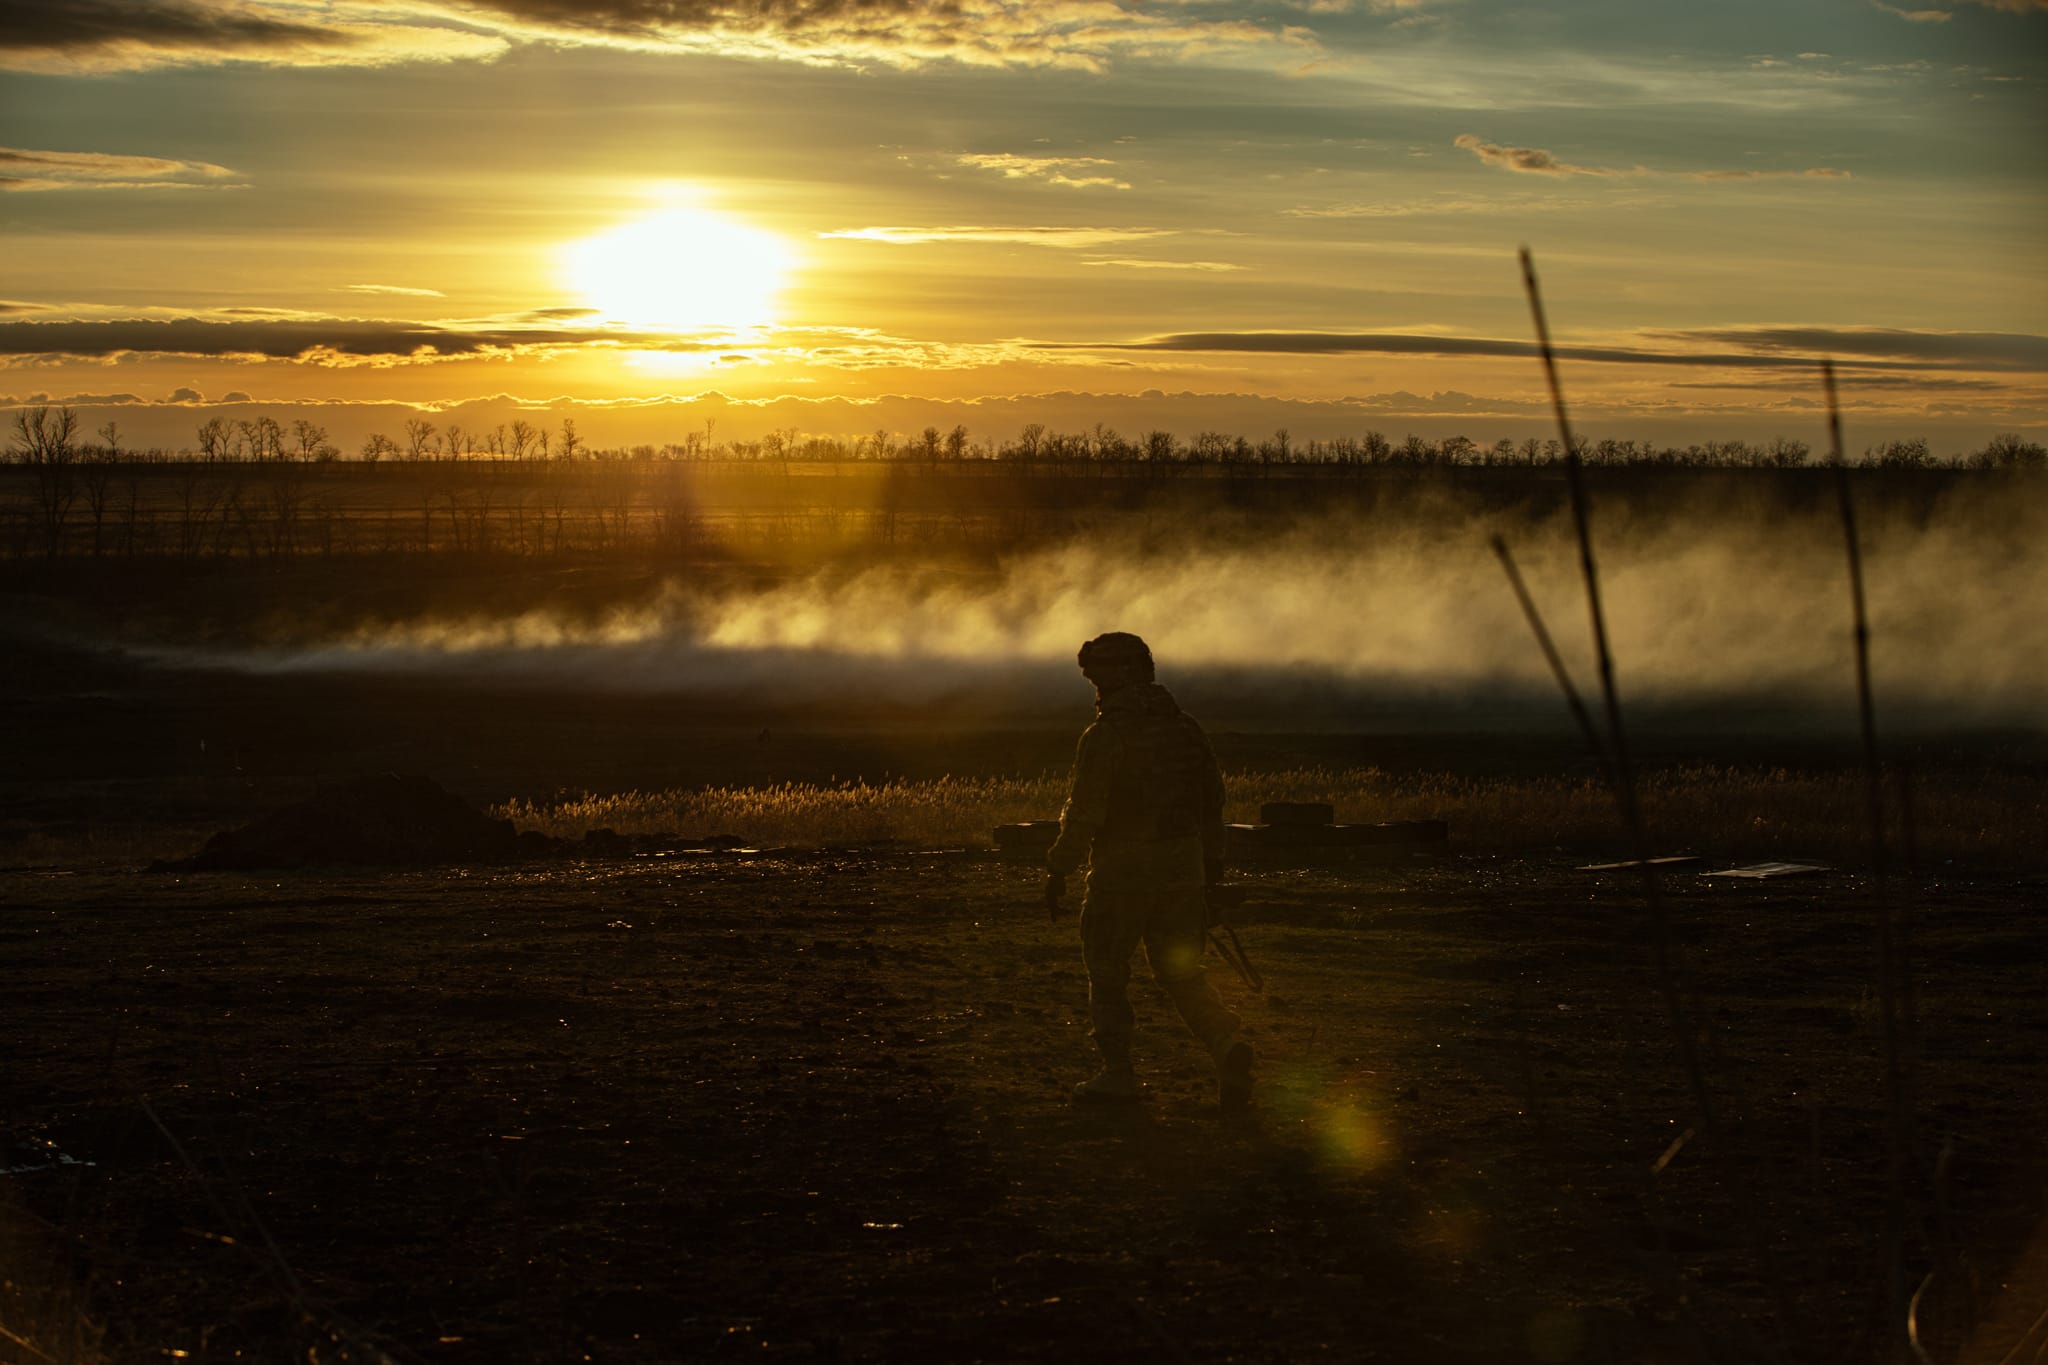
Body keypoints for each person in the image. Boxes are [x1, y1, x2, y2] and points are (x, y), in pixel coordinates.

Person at [1044, 631, 1253, 1110]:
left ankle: (1117, 1075)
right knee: (1181, 971)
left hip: (1123, 870)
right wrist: (1211, 865)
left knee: (1108, 969)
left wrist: (1059, 867)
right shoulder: (1186, 729)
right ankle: (1226, 1046)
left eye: (1097, 675)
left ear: (1118, 676)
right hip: (1183, 866)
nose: (1093, 686)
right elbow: (1212, 802)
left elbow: (1085, 813)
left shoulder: (1105, 737)